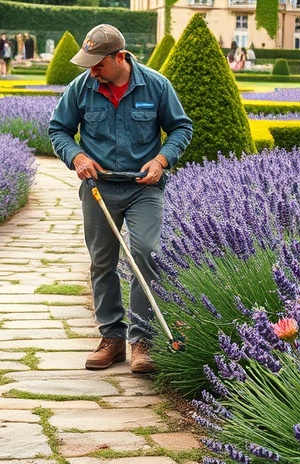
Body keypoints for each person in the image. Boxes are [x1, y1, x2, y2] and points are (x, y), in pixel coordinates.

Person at [48, 24, 192, 374]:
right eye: (89, 63)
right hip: (100, 187)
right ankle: (111, 339)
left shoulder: (156, 85)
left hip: (144, 186)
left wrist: (161, 161)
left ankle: (141, 341)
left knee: (145, 252)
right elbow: (59, 129)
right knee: (102, 262)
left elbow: (181, 128)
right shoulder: (80, 88)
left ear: (121, 57)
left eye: (99, 63)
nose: (92, 70)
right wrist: (77, 158)